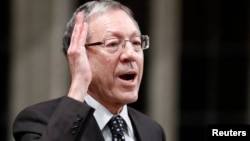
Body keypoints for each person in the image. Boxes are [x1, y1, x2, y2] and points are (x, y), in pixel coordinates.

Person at [12, 0, 166, 141]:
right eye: (113, 44)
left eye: (136, 42)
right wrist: (79, 84)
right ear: (78, 56)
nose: (130, 54)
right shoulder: (38, 120)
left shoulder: (152, 130)